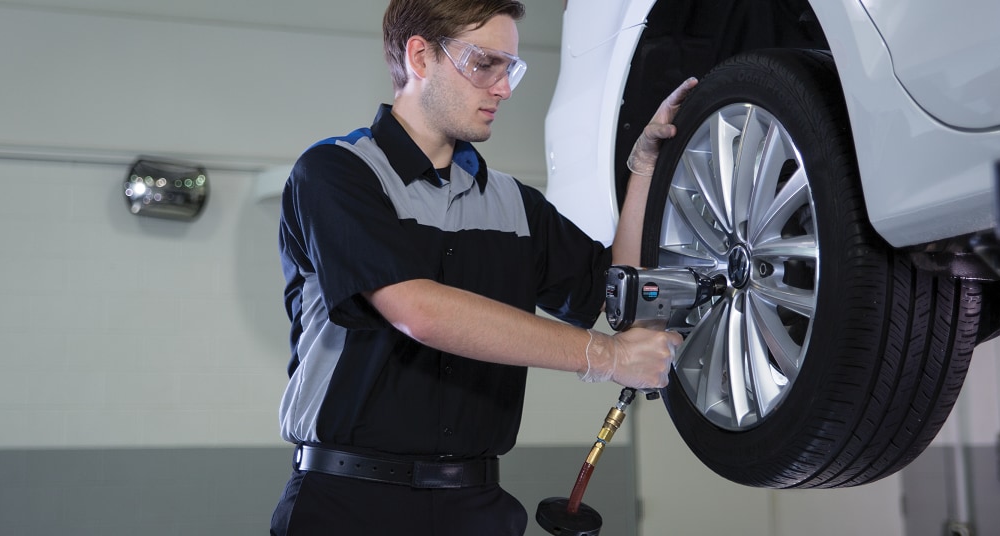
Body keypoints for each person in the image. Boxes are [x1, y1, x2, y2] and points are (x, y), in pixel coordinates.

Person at [272, 0, 696, 533]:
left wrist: (643, 172)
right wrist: (607, 357)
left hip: (476, 504)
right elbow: (417, 309)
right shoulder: (337, 173)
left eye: (510, 68)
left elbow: (620, 295)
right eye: (485, 65)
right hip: (349, 503)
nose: (504, 88)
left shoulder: (515, 206)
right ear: (420, 57)